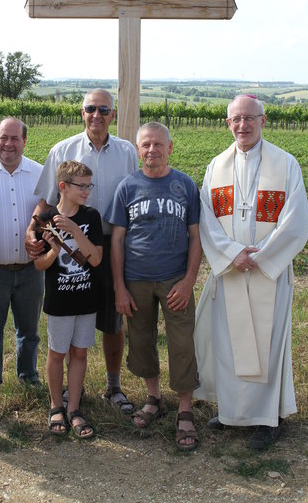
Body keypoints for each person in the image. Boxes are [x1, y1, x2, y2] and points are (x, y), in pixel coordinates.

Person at [194, 94, 308, 450]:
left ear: (263, 120)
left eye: (249, 118)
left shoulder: (286, 164)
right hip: (231, 270)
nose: (242, 125)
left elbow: (296, 221)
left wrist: (260, 257)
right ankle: (231, 413)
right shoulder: (217, 166)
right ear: (227, 124)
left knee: (267, 345)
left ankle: (267, 419)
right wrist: (232, 255)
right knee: (229, 343)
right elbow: (206, 219)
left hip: (267, 274)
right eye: (236, 119)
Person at [25, 89, 138, 412]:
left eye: (104, 110)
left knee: (112, 320)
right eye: (91, 109)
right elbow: (46, 201)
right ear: (82, 112)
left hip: (111, 245)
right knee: (69, 318)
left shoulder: (127, 152)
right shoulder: (62, 150)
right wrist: (30, 232)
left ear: (112, 115)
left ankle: (113, 386)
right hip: (69, 250)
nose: (97, 115)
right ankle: (65, 394)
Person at [107, 122, 202, 451]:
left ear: (170, 148)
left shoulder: (185, 185)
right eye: (146, 145)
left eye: (158, 144)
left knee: (182, 343)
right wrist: (119, 287)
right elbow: (117, 241)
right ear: (138, 150)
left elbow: (195, 236)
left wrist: (189, 281)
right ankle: (154, 399)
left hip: (176, 279)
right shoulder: (127, 187)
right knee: (142, 339)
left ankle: (185, 409)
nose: (152, 150)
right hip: (136, 280)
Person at [0, 117, 44, 394]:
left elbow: (47, 215)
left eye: (15, 138)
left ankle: (28, 376)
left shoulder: (39, 173)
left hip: (30, 269)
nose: (9, 144)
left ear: (25, 141)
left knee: (29, 330)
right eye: (4, 137)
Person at [34, 161, 103, 438]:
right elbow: (40, 265)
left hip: (86, 298)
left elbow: (96, 259)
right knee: (57, 352)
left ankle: (74, 408)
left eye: (89, 185)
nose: (87, 191)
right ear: (63, 187)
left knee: (80, 352)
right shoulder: (45, 218)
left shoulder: (91, 217)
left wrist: (75, 231)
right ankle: (55, 405)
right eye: (82, 186)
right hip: (59, 300)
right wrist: (52, 251)